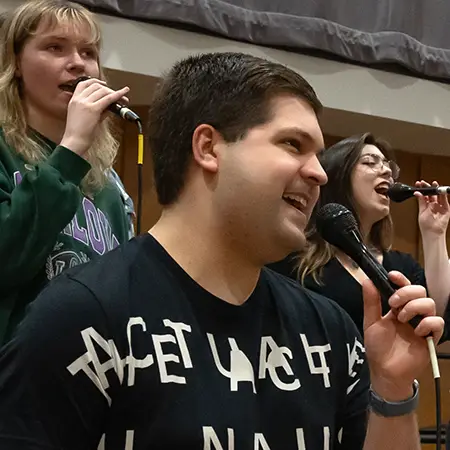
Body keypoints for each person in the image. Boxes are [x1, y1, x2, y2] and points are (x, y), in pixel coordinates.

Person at [0, 52, 443, 449]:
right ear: (208, 147)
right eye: (293, 144)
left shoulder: (330, 331)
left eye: (318, 153)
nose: (319, 174)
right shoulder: (79, 319)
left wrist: (392, 388)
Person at [0, 0, 135, 344]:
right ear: (15, 62)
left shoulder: (108, 184)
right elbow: (7, 258)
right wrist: (72, 145)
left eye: (88, 52)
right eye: (55, 47)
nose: (77, 64)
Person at [269, 133, 450, 337]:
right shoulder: (295, 258)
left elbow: (438, 318)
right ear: (339, 176)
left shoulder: (401, 266)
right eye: (370, 162)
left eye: (388, 165)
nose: (387, 171)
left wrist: (434, 232)